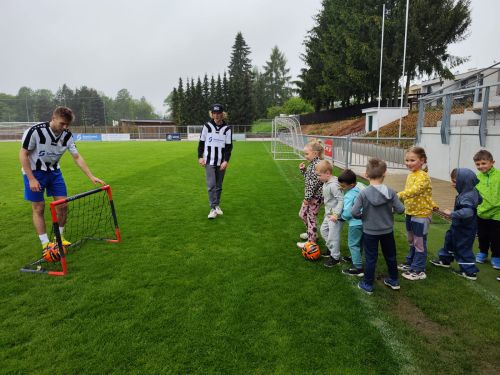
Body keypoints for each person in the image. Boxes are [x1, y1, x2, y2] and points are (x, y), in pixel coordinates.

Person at [20, 106, 104, 253]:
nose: (64, 127)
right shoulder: (35, 131)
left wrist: (91, 176)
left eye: (67, 125)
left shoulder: (67, 135)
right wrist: (31, 179)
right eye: (62, 123)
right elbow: (23, 154)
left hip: (54, 172)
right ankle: (46, 244)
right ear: (53, 118)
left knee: (63, 206)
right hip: (34, 172)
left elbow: (77, 157)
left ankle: (58, 238)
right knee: (39, 207)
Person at [351, 158, 405, 295]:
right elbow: (401, 209)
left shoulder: (363, 193)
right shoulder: (391, 192)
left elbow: (354, 212)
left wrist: (363, 217)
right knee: (391, 256)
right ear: (384, 174)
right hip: (387, 231)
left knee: (370, 258)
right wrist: (390, 210)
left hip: (370, 232)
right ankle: (394, 280)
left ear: (366, 174)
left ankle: (367, 284)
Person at [430, 168, 481, 280]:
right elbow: (480, 200)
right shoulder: (470, 191)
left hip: (465, 228)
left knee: (463, 247)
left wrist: (452, 213)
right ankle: (445, 260)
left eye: (454, 181)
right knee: (450, 240)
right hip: (458, 225)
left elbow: (468, 212)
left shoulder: (467, 196)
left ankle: (469, 272)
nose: (452, 184)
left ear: (464, 182)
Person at [397, 146, 436, 281]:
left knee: (419, 242)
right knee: (411, 240)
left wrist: (398, 196)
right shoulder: (411, 174)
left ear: (422, 160)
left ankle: (419, 270)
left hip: (421, 215)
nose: (408, 163)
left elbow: (415, 190)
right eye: (407, 160)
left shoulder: (423, 177)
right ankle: (411, 262)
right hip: (410, 213)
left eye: (412, 160)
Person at [198, 104, 233, 219]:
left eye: (218, 113)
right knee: (211, 185)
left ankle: (217, 205)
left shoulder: (227, 129)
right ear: (211, 114)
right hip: (209, 161)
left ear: (222, 114)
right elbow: (201, 143)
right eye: (214, 113)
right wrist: (200, 157)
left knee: (219, 185)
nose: (216, 115)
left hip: (221, 162)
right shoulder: (207, 126)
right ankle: (213, 208)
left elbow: (228, 147)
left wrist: (226, 161)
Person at [472, 150, 500, 270]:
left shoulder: (498, 176)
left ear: (492, 162)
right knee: (482, 235)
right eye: (478, 164)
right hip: (482, 213)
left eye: (484, 163)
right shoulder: (477, 178)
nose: (481, 166)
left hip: (497, 213)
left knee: (497, 237)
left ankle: (497, 256)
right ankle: (483, 252)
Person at [315, 160, 344, 268]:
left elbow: (341, 200)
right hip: (328, 215)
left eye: (319, 175)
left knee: (333, 237)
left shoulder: (334, 185)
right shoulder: (326, 183)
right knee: (323, 230)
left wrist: (336, 214)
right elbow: (328, 197)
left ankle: (335, 258)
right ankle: (330, 248)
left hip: (335, 217)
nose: (318, 177)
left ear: (327, 173)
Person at [296, 140, 324, 249]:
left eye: (307, 154)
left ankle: (311, 242)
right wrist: (303, 170)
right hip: (311, 197)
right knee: (302, 214)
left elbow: (313, 184)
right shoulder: (312, 164)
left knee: (311, 218)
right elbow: (309, 179)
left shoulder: (317, 165)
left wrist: (307, 198)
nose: (305, 156)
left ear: (315, 153)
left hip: (315, 198)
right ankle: (311, 234)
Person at [338, 169, 365, 277]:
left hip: (356, 223)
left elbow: (349, 211)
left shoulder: (350, 195)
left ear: (352, 184)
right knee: (360, 242)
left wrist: (341, 217)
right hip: (366, 221)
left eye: (343, 186)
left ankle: (358, 268)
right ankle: (354, 257)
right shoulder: (361, 186)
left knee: (353, 244)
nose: (342, 188)